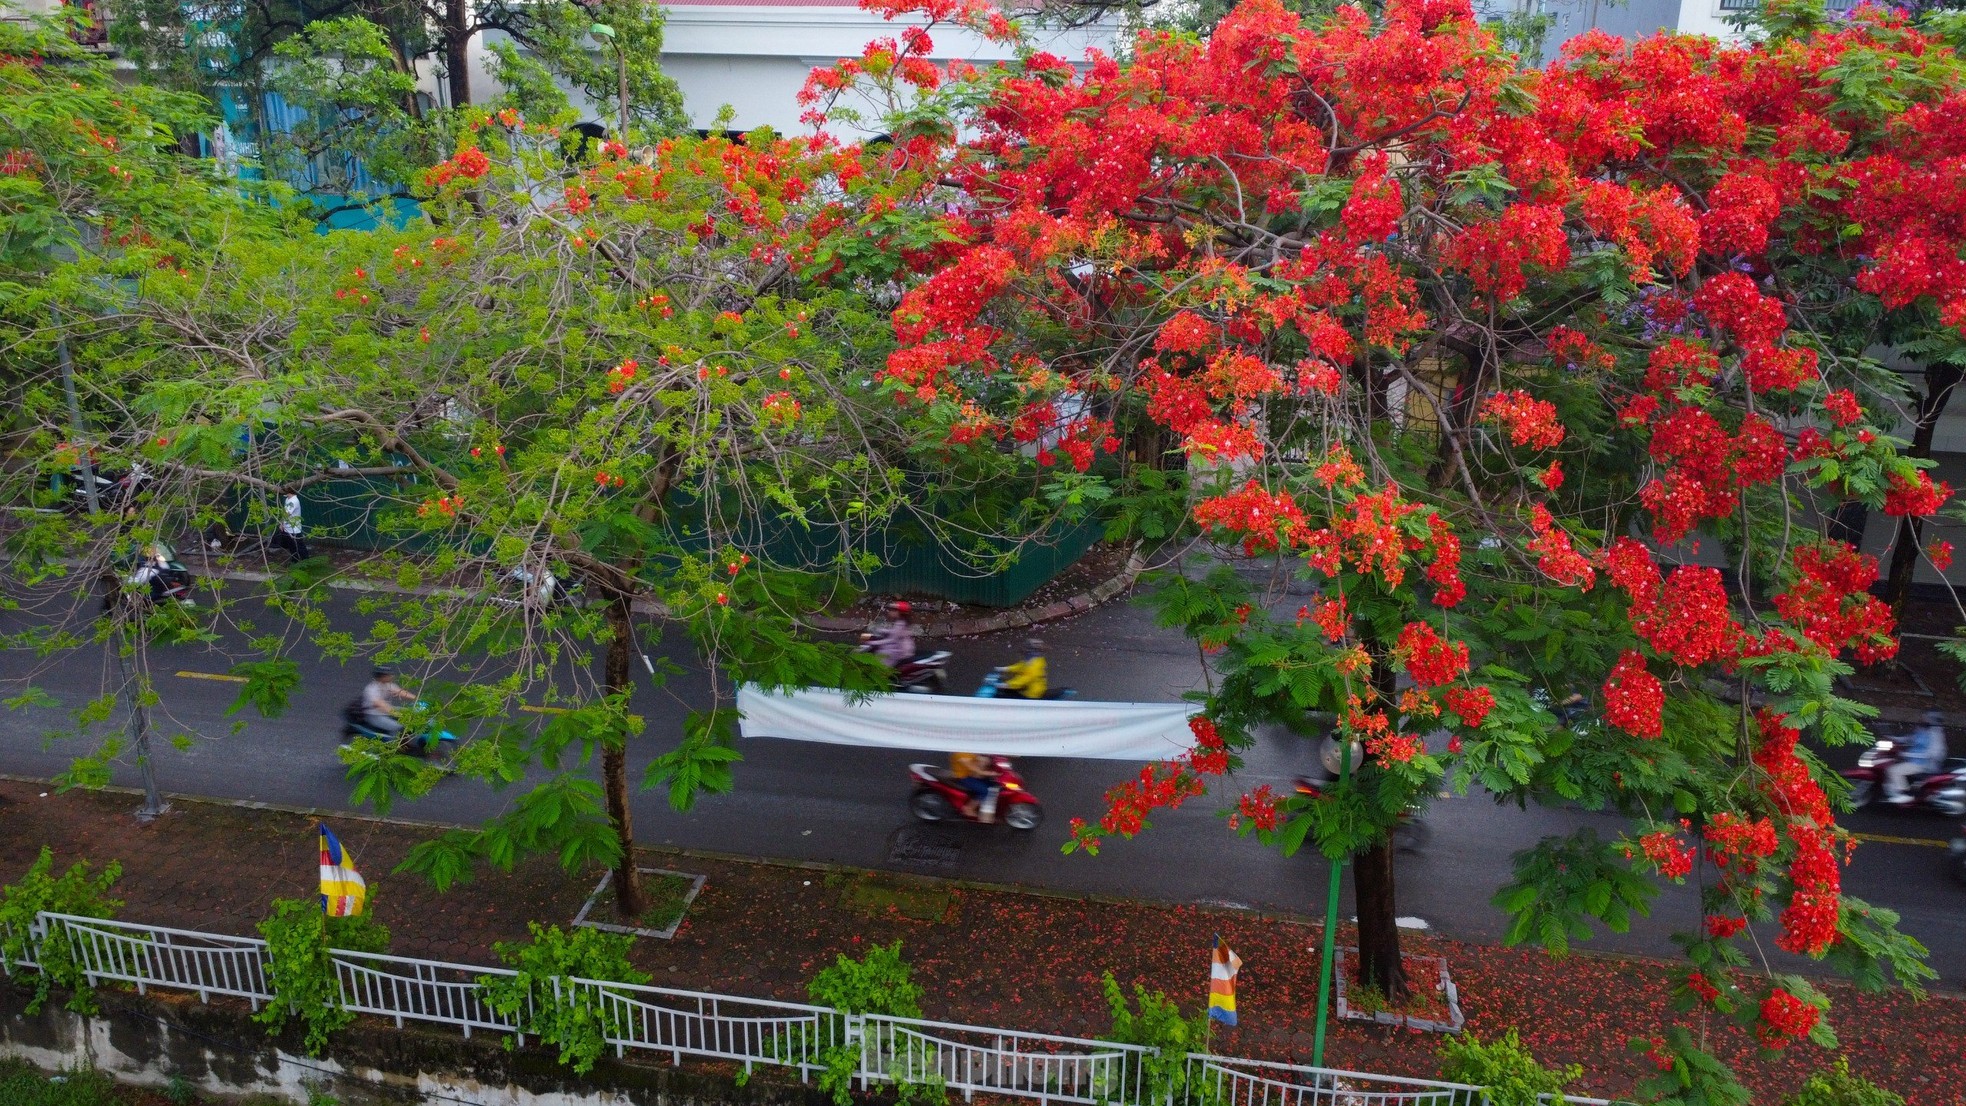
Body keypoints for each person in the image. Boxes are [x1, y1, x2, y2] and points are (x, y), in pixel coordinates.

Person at [1886, 711, 1948, 804]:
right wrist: (1893, 738)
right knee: (1892, 763)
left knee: (1893, 770)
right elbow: (1910, 738)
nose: (1922, 719)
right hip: (1913, 760)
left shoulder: (1936, 735)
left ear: (1932, 720)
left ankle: (1905, 794)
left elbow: (1932, 754)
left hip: (1924, 764)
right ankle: (1894, 789)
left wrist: (1907, 754)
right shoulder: (1922, 730)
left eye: (1925, 718)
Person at [359, 666, 417, 738]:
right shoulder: (372, 689)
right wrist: (397, 714)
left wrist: (416, 698)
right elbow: (380, 704)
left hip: (387, 710)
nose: (391, 676)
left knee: (411, 712)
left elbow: (401, 692)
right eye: (388, 675)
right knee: (398, 727)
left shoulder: (388, 685)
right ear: (381, 677)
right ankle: (394, 745)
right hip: (374, 715)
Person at [949, 751, 1000, 821]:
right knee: (984, 791)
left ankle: (986, 809)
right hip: (963, 778)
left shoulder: (970, 751)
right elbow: (972, 768)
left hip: (972, 776)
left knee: (993, 784)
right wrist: (988, 773)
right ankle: (969, 809)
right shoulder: (960, 754)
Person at [868, 601, 917, 669]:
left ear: (900, 612)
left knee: (881, 656)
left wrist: (873, 643)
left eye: (893, 610)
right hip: (899, 647)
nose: (890, 611)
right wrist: (881, 630)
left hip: (901, 650)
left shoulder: (900, 624)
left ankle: (883, 673)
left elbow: (892, 639)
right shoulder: (900, 622)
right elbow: (895, 633)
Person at [272, 490, 310, 563]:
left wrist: (281, 523)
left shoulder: (293, 501)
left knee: (299, 546)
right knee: (292, 547)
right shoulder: (287, 499)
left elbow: (287, 514)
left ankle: (306, 561)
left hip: (294, 529)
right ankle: (295, 561)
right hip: (288, 527)